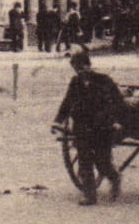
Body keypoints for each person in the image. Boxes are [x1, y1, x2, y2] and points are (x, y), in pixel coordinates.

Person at [53, 50, 127, 205]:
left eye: (82, 67)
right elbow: (67, 102)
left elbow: (118, 102)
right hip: (82, 127)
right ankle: (90, 196)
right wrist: (58, 121)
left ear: (88, 66)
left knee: (102, 162)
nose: (80, 71)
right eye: (77, 68)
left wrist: (116, 120)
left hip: (102, 128)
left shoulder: (104, 80)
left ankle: (114, 178)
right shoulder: (75, 82)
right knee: (84, 161)